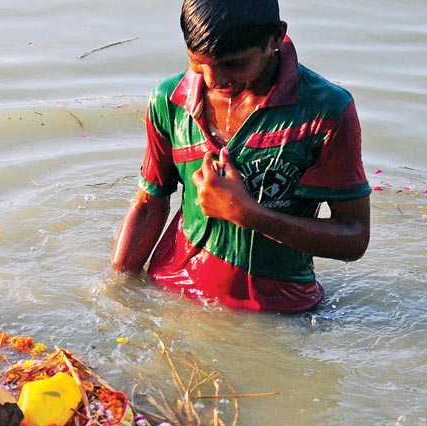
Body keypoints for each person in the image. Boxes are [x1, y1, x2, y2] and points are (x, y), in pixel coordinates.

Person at [110, 0, 371, 312]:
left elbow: (354, 237)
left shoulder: (325, 111)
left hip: (278, 310)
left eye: (233, 64)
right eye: (198, 62)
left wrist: (248, 215)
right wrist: (117, 294)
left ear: (275, 38)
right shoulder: (170, 100)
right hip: (171, 290)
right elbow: (148, 204)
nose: (213, 81)